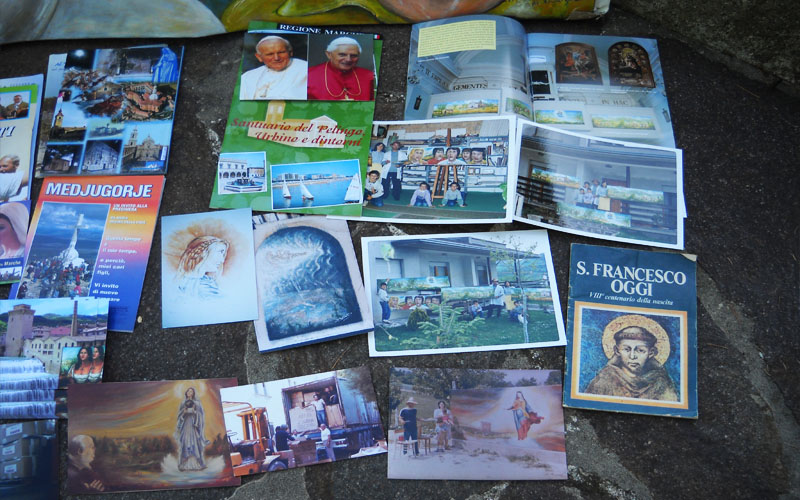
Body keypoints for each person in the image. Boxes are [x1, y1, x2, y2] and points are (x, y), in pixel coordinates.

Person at [585, 326, 679, 401]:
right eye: (626, 349)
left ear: (651, 353)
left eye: (640, 350)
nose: (632, 356)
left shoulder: (661, 383)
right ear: (617, 351)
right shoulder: (604, 380)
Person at [240, 36, 308, 100]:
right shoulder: (247, 77)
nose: (276, 58)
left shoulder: (306, 70)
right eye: (270, 54)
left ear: (290, 52)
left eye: (281, 52)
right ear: (259, 57)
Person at [307, 37, 374, 101]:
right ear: (329, 54)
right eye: (342, 55)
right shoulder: (309, 75)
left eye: (353, 56)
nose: (348, 59)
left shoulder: (369, 76)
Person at [176, 387, 209, 471]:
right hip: (185, 425)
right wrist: (184, 413)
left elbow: (200, 415)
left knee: (194, 442)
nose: (189, 392)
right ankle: (183, 465)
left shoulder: (197, 403)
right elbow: (179, 416)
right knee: (185, 442)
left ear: (193, 393)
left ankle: (197, 464)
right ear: (186, 392)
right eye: (188, 391)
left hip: (194, 425)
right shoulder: (183, 403)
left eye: (191, 391)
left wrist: (194, 412)